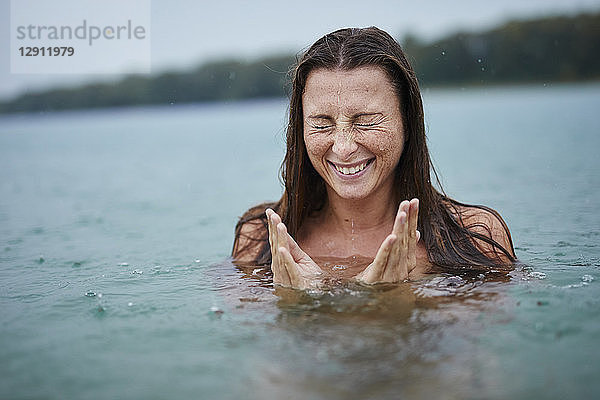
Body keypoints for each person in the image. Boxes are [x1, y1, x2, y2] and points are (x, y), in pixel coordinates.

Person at [231, 27, 515, 289]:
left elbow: (478, 341)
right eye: (321, 124)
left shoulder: (475, 237)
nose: (343, 148)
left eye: (365, 121)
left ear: (407, 122)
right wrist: (299, 298)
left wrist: (389, 300)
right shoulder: (259, 238)